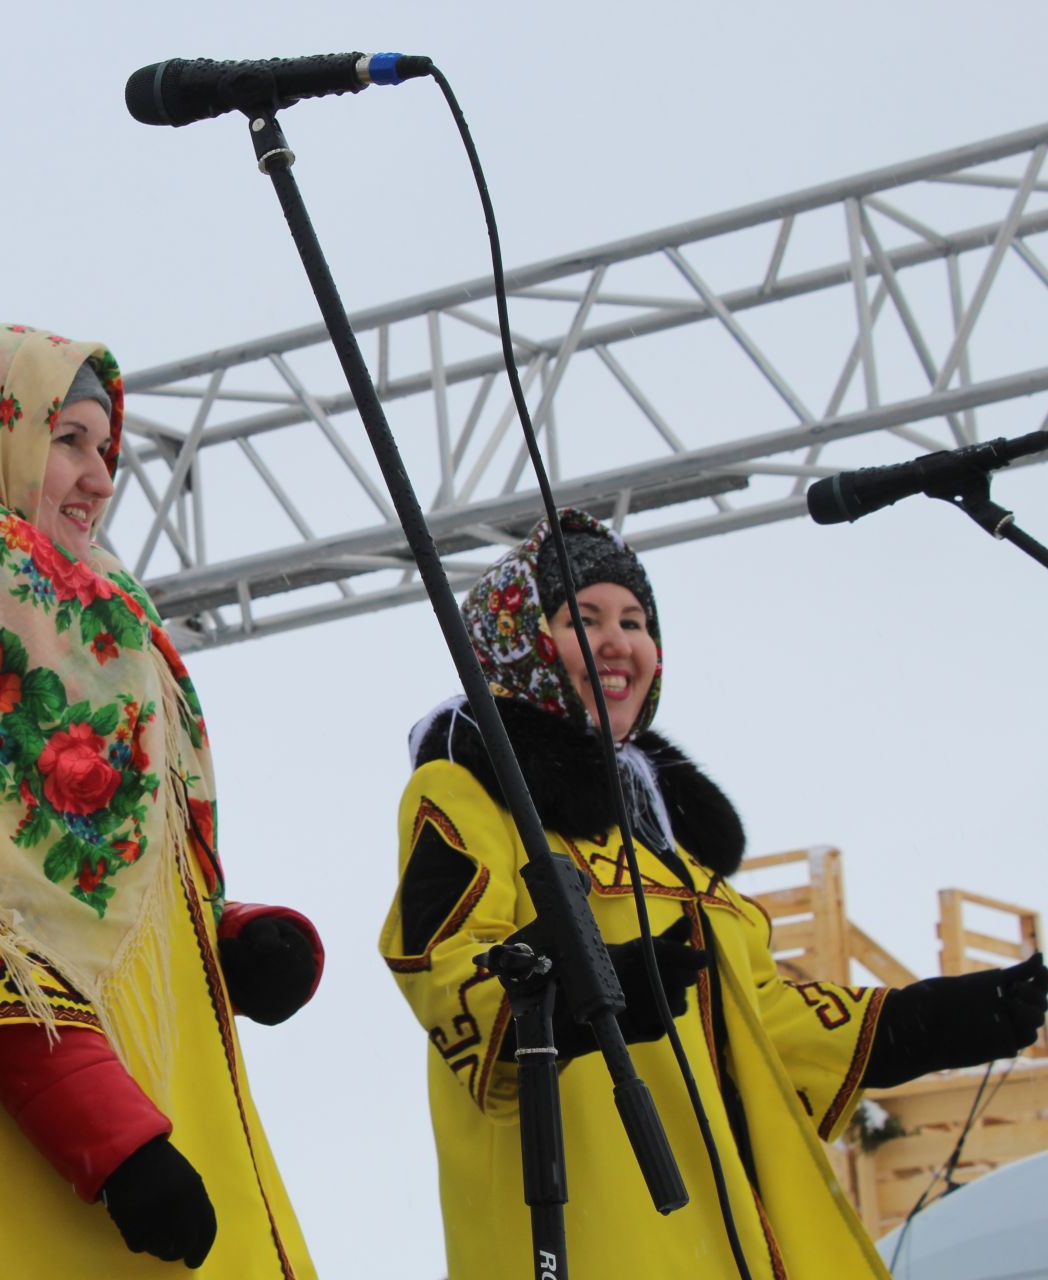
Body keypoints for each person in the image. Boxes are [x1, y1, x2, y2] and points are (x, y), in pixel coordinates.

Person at [378, 508, 1048, 1279]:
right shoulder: (470, 794)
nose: (617, 641)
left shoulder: (674, 857)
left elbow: (763, 1021)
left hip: (735, 1239)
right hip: (599, 1233)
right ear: (518, 641)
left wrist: (931, 1021)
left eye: (635, 620)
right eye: (582, 618)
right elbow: (443, 966)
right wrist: (576, 998)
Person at [0, 324, 322, 1277]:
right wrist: (105, 1132)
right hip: (4, 1127)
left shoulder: (111, 631)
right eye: (68, 440)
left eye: (107, 449)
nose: (99, 477)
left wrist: (232, 936)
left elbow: (114, 878)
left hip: (163, 1107)